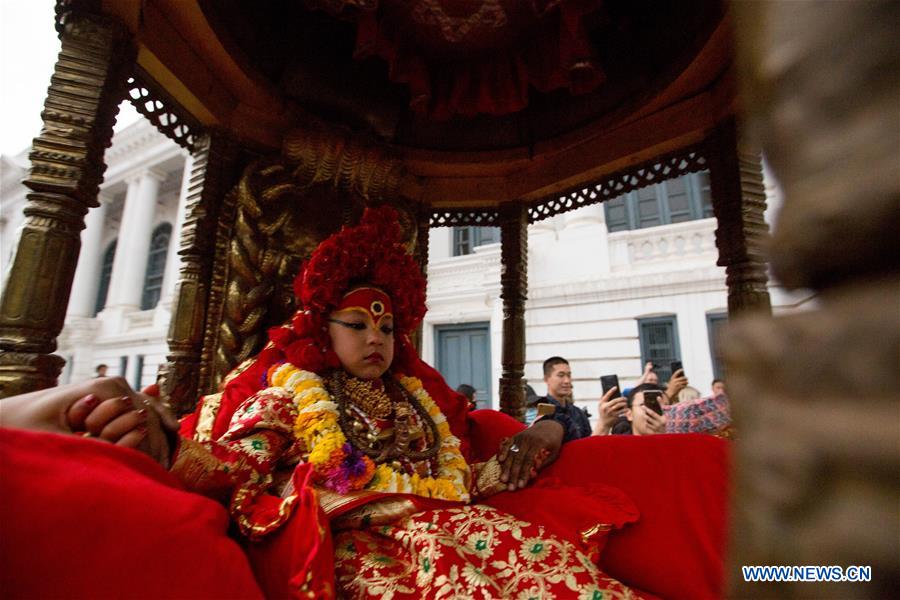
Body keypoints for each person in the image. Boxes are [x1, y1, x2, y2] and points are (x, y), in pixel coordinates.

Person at [10, 207, 639, 598]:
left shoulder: (418, 405)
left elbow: (464, 480)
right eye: (357, 325)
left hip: (461, 524)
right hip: (364, 550)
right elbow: (239, 468)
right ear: (324, 330)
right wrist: (169, 445)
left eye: (386, 328)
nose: (376, 339)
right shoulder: (291, 396)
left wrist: (549, 430)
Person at [533, 356, 593, 441]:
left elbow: (588, 442)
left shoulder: (579, 414)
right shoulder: (538, 411)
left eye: (569, 375)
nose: (567, 381)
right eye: (561, 375)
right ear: (546, 379)